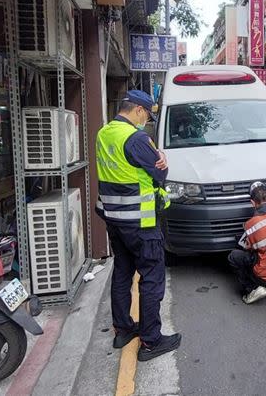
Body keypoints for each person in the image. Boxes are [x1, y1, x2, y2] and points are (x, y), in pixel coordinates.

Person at [95, 89, 181, 362]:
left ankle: (122, 330)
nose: (146, 120)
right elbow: (159, 172)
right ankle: (151, 342)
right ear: (140, 111)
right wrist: (163, 161)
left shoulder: (104, 133)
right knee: (151, 279)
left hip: (114, 220)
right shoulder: (137, 138)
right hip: (141, 222)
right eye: (147, 115)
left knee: (122, 273)